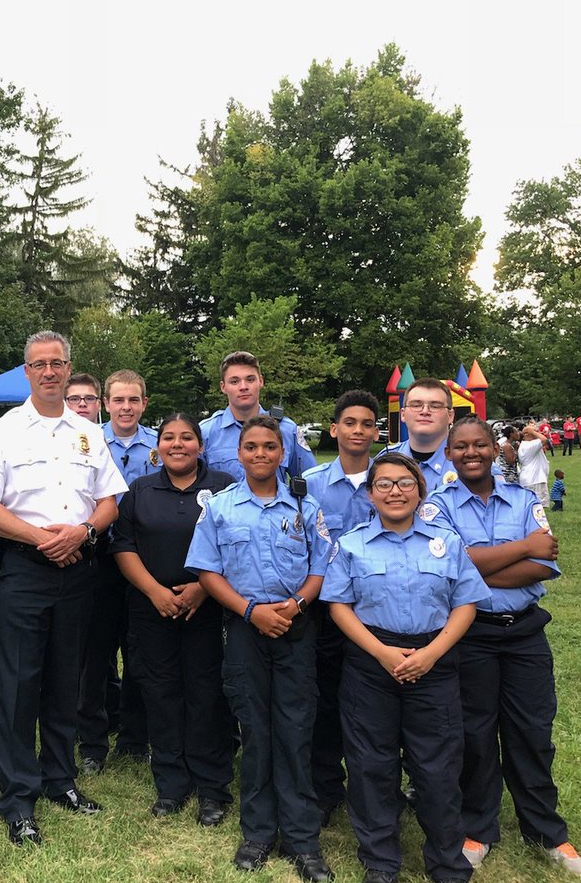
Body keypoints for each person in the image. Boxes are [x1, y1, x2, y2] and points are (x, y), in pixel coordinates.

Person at [0, 330, 127, 845]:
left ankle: (61, 780)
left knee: (65, 681)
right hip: (26, 570)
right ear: (27, 370)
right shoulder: (4, 431)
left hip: (79, 566)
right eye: (40, 364)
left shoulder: (88, 431)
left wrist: (84, 532)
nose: (50, 372)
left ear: (68, 367)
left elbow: (108, 500)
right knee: (16, 686)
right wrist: (41, 538)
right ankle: (18, 799)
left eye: (58, 363)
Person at [425, 416, 581, 879]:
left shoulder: (522, 499)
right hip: (470, 636)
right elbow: (451, 568)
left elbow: (543, 566)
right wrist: (522, 546)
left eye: (480, 444)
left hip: (524, 635)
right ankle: (477, 828)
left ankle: (546, 830)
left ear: (494, 450)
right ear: (449, 454)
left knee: (533, 730)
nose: (471, 452)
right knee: (474, 735)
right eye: (461, 447)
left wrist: (483, 565)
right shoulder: (437, 507)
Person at [322, 451, 486, 883]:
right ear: (371, 494)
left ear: (420, 490)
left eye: (404, 483)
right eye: (385, 484)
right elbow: (339, 604)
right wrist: (382, 654)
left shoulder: (446, 542)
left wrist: (431, 654)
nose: (395, 491)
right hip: (371, 663)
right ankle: (380, 862)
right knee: (370, 764)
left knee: (437, 767)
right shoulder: (352, 544)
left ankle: (449, 865)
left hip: (433, 660)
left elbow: (466, 602)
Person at [185, 416, 333, 883]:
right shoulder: (221, 507)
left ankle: (302, 839)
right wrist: (252, 612)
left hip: (295, 626)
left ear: (283, 453)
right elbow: (208, 572)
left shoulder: (305, 508)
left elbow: (321, 566)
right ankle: (257, 832)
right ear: (240, 454)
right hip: (246, 629)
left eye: (270, 447)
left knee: (295, 729)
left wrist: (294, 605)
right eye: (251, 447)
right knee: (256, 730)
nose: (261, 454)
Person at [110, 412, 236, 826]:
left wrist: (202, 587)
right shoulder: (140, 490)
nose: (177, 444)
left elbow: (235, 546)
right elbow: (124, 546)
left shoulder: (222, 488)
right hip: (151, 609)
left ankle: (212, 786)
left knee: (206, 695)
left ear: (200, 445)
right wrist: (155, 592)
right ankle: (171, 784)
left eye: (186, 437)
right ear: (157, 445)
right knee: (160, 694)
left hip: (208, 606)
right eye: (168, 437)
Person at [300, 389, 380, 824]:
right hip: (323, 613)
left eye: (367, 424)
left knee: (371, 707)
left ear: (376, 431)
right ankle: (326, 787)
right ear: (334, 429)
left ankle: (374, 789)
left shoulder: (388, 481)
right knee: (325, 701)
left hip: (375, 613)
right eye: (350, 422)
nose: (358, 430)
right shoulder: (308, 485)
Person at [77, 370, 154, 774]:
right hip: (98, 561)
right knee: (95, 653)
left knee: (140, 651)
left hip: (146, 563)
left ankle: (134, 737)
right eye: (118, 400)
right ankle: (92, 741)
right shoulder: (85, 441)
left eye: (134, 400)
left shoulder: (161, 445)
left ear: (144, 403)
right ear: (106, 403)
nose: (126, 407)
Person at [199, 351, 316, 483]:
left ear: (260, 381)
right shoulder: (205, 432)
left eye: (250, 379)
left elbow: (310, 480)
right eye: (234, 381)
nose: (243, 387)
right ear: (223, 387)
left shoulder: (287, 430)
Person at [385, 378, 455, 494]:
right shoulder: (384, 460)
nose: (425, 411)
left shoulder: (471, 464)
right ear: (403, 414)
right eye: (416, 405)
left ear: (450, 416)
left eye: (435, 406)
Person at [517, 423, 551, 506]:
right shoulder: (529, 445)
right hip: (534, 480)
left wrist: (533, 431)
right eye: (536, 432)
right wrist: (532, 431)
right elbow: (544, 440)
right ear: (528, 434)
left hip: (532, 479)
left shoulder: (527, 444)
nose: (538, 433)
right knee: (537, 508)